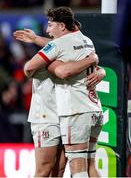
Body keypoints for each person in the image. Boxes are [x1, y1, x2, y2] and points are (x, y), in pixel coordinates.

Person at [14, 22, 105, 177]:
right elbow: (63, 70)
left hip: (66, 114)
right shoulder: (47, 59)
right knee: (44, 170)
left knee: (60, 170)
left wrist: (100, 70)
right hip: (46, 118)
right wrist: (92, 60)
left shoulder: (65, 51)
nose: (49, 31)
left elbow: (65, 48)